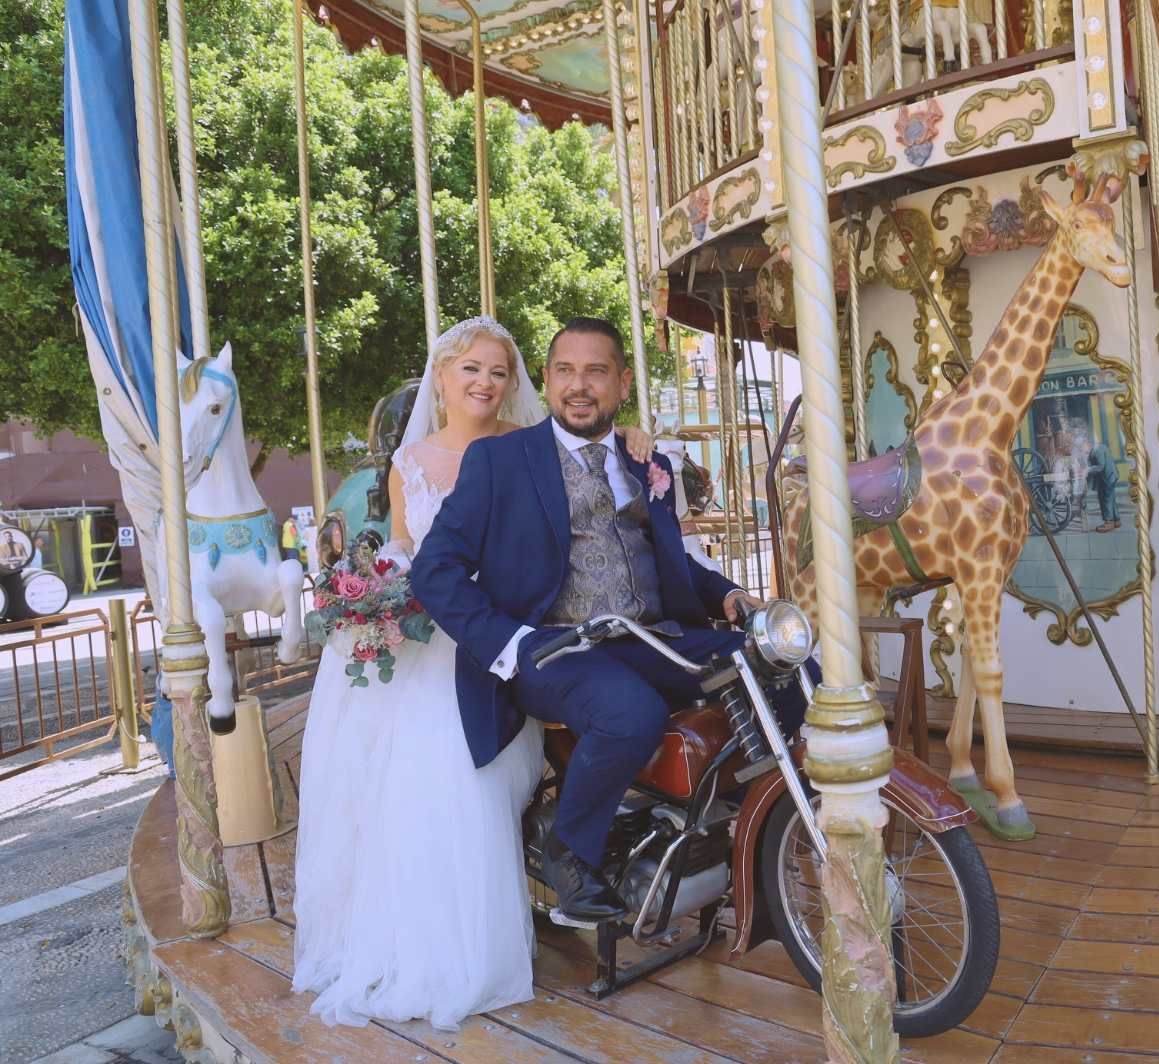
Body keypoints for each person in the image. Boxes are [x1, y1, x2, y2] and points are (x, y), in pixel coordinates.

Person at [291, 316, 655, 1030]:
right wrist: (376, 596)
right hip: (437, 637)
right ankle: (426, 944)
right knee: (424, 786)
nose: (485, 382)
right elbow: (406, 550)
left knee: (477, 782)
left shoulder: (529, 445)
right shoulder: (411, 461)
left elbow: (589, 452)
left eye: (498, 371)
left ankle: (506, 916)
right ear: (442, 378)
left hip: (513, 627)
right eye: (471, 369)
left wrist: (634, 436)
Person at [411, 317, 816, 925]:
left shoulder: (642, 459)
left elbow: (671, 559)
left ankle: (753, 824)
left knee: (787, 667)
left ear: (622, 383)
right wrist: (510, 643)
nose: (579, 386)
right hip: (555, 650)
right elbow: (433, 570)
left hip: (654, 637)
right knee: (632, 713)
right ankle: (570, 852)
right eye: (565, 372)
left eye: (595, 372)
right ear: (547, 379)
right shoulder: (501, 460)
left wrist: (731, 595)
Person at [1086, 435, 1121, 533]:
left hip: (1108, 477)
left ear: (1089, 443)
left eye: (1084, 445)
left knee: (1105, 499)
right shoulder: (1096, 448)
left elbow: (1101, 466)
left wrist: (1088, 469)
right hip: (1108, 477)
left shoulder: (1098, 450)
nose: (1083, 447)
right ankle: (1116, 520)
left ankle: (1108, 523)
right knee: (1111, 498)